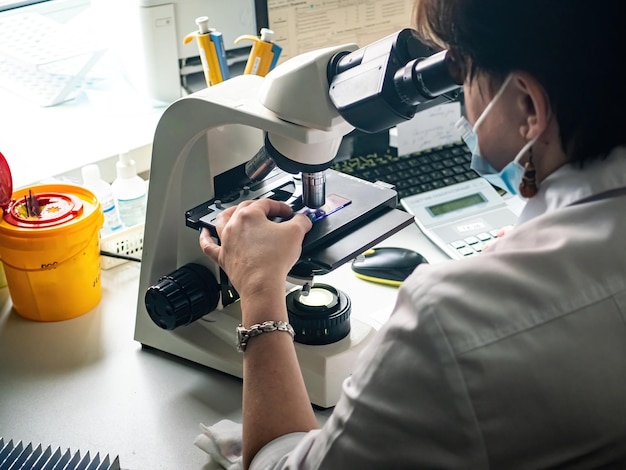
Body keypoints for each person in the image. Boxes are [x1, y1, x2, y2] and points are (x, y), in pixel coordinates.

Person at [199, 0, 626, 467]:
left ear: (526, 105)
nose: (462, 97)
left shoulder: (449, 320)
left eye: (465, 73)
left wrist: (260, 288)